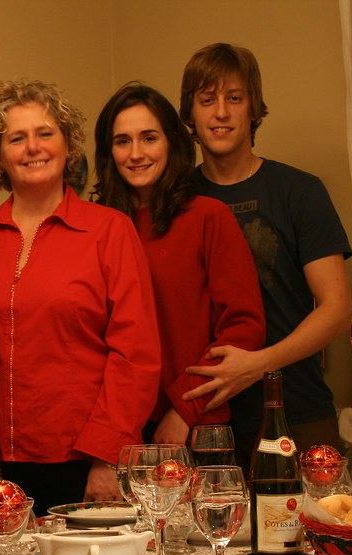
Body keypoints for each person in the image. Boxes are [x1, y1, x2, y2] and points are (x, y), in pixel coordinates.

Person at [0, 79, 160, 516]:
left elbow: (136, 354)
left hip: (84, 462)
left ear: (68, 145)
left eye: (45, 133)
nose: (33, 147)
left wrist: (107, 455)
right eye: (16, 138)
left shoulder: (109, 231)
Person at [178, 43, 352, 469]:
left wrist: (258, 365)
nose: (221, 112)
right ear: (190, 116)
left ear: (254, 109)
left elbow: (336, 307)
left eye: (234, 99)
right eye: (207, 100)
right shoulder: (175, 201)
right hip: (200, 418)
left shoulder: (301, 192)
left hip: (298, 408)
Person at [92, 82, 266, 447]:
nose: (136, 153)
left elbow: (243, 328)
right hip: (114, 428)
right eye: (122, 141)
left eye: (149, 138)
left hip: (194, 427)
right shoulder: (97, 227)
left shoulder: (208, 218)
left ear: (172, 141)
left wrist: (185, 408)